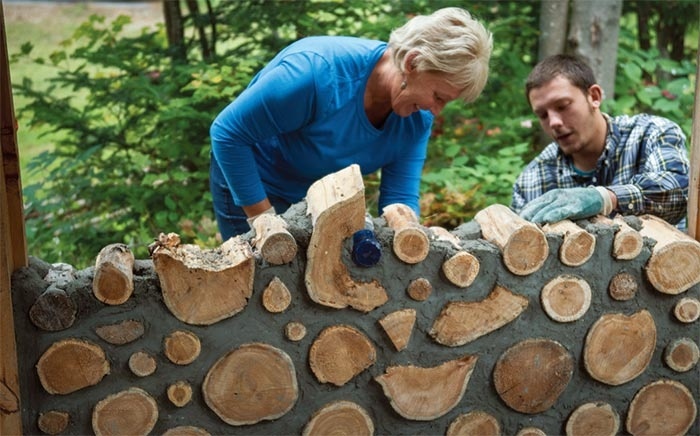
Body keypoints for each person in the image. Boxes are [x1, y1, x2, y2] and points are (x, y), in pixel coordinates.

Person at [209, 7, 493, 240]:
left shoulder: (417, 118)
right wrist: (264, 224)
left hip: (315, 199)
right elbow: (227, 134)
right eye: (438, 96)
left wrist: (408, 235)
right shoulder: (314, 75)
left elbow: (399, 196)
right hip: (253, 183)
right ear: (413, 62)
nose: (437, 110)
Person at [512, 54, 689, 227]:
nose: (554, 122)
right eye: (543, 115)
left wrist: (606, 198)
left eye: (562, 106)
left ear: (594, 97)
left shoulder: (652, 134)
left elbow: (680, 191)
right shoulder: (530, 182)